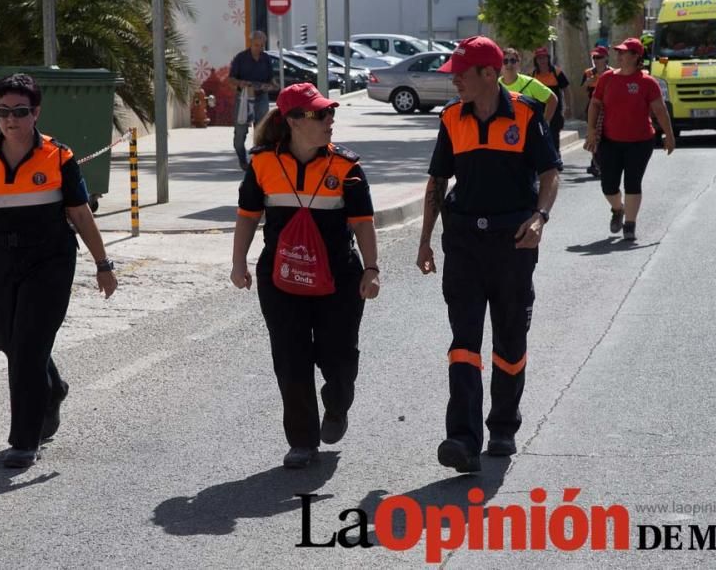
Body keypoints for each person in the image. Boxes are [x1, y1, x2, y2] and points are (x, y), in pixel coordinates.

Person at [0, 73, 118, 469]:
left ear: (36, 113)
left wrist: (102, 264)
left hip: (50, 261)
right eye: (3, 112)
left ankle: (25, 439)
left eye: (20, 112)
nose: (10, 120)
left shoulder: (59, 157)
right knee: (9, 341)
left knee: (28, 347)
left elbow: (79, 213)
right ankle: (52, 390)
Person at [417, 36, 560, 473]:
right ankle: (462, 437)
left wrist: (540, 217)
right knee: (464, 342)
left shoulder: (524, 115)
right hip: (463, 242)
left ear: (489, 74)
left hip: (512, 242)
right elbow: (438, 182)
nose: (455, 81)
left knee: (510, 339)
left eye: (462, 74)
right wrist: (424, 239)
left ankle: (503, 426)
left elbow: (550, 172)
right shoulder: (451, 120)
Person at [231, 82, 380, 469]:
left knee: (339, 357)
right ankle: (302, 440)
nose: (330, 120)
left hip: (339, 280)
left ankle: (338, 403)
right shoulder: (262, 163)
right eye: (319, 114)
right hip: (281, 279)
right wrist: (238, 262)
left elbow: (363, 224)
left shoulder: (347, 166)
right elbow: (247, 216)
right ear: (293, 121)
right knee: (290, 357)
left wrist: (372, 269)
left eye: (331, 112)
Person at [584, 38, 676, 241]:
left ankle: (630, 224)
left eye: (624, 52)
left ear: (636, 57)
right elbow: (595, 104)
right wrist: (590, 130)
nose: (619, 55)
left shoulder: (647, 82)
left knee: (633, 182)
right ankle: (618, 209)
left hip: (640, 141)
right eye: (619, 52)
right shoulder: (607, 78)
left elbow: (660, 110)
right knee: (608, 185)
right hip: (610, 140)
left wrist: (669, 136)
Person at [229, 31, 277, 171]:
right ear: (251, 43)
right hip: (243, 98)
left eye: (262, 45)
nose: (260, 48)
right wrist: (241, 83)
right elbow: (231, 79)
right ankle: (242, 160)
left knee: (262, 130)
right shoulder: (240, 58)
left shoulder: (266, 58)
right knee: (240, 132)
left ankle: (259, 161)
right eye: (257, 45)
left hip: (261, 97)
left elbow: (270, 78)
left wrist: (273, 85)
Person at [498, 47, 559, 126]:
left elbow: (552, 99)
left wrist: (544, 123)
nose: (509, 64)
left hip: (527, 133)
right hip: (503, 131)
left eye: (513, 61)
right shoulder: (495, 85)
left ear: (518, 63)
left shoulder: (529, 83)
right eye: (505, 61)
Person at [580, 46, 613, 177]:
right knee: (593, 135)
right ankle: (595, 163)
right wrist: (588, 83)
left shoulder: (612, 73)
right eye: (594, 57)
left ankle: (605, 162)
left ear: (606, 58)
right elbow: (581, 91)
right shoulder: (589, 73)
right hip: (592, 109)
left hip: (608, 109)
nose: (596, 60)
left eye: (599, 57)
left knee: (606, 136)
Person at [532, 47, 570, 154]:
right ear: (536, 60)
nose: (542, 61)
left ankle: (556, 157)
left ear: (548, 59)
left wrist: (567, 107)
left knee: (554, 135)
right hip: (539, 111)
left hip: (555, 111)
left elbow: (566, 89)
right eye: (539, 58)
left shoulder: (557, 72)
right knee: (540, 135)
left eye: (544, 58)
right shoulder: (533, 75)